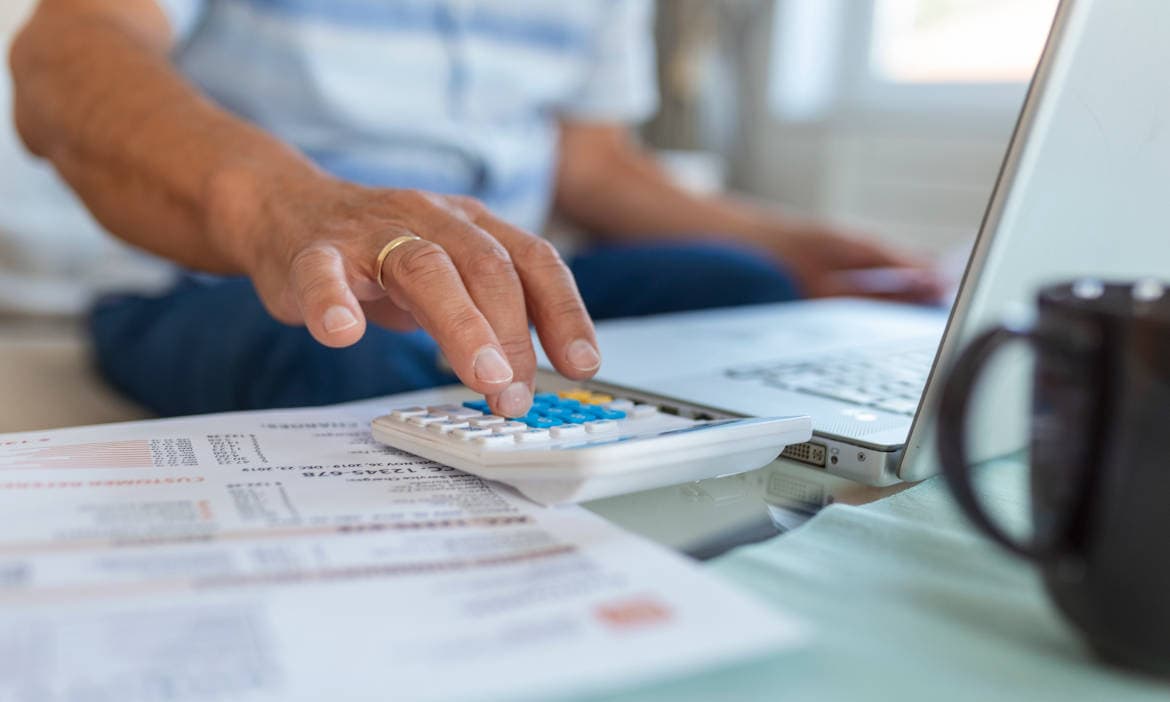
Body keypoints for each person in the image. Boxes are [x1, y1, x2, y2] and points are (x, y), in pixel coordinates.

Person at [9, 0, 938, 420]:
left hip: (494, 269)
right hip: (227, 276)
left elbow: (594, 164)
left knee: (749, 287)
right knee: (354, 358)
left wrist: (795, 244)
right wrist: (286, 204)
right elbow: (62, 55)